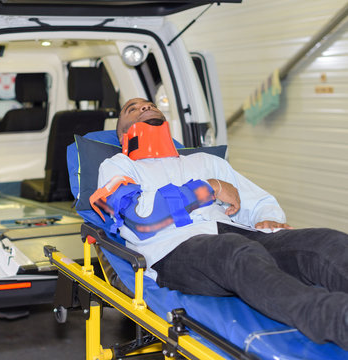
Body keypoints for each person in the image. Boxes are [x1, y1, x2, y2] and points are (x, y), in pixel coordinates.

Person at [90, 97, 348, 350]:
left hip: (240, 235)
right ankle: (337, 320)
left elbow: (256, 201)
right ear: (122, 135)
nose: (144, 107)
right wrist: (207, 189)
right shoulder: (116, 167)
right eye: (131, 109)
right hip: (172, 249)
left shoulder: (206, 162)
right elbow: (141, 220)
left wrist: (268, 218)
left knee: (325, 242)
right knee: (235, 251)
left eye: (150, 104)